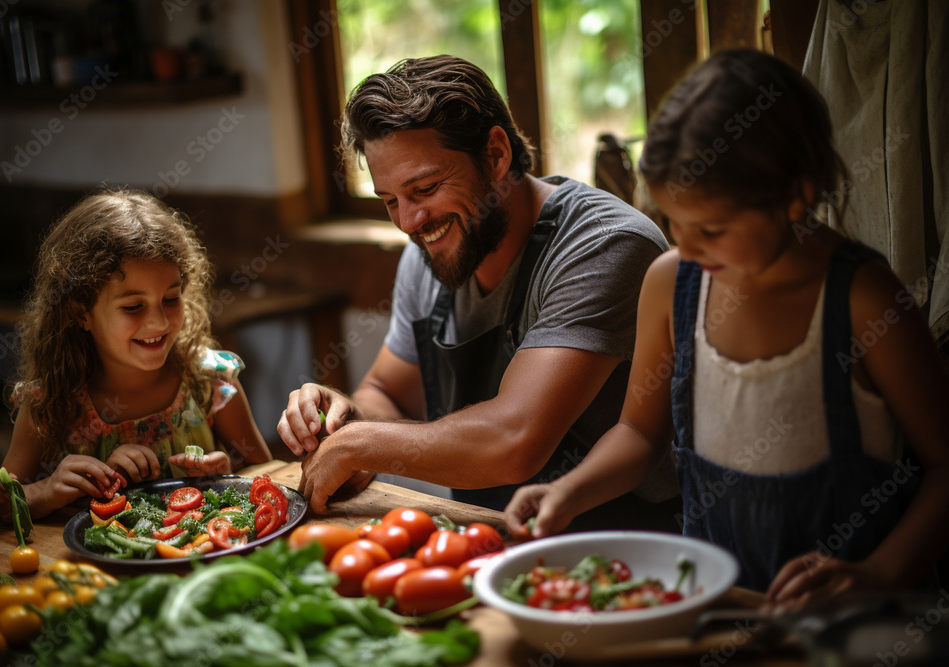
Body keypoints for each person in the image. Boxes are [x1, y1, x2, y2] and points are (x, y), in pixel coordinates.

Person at [503, 49, 949, 606]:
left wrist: (881, 573)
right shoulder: (673, 284)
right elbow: (640, 435)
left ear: (796, 196)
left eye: (711, 228)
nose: (686, 247)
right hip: (718, 613)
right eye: (673, 223)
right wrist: (567, 492)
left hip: (855, 628)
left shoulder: (862, 300)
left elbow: (942, 466)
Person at [278, 54, 680, 531]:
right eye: (389, 201)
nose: (409, 222)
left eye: (424, 188)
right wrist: (342, 419)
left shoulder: (604, 245)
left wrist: (360, 445)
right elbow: (388, 394)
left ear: (495, 154)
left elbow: (514, 441)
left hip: (629, 546)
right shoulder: (430, 251)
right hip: (495, 539)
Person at [0, 190, 271, 521]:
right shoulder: (49, 404)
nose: (158, 322)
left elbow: (270, 478)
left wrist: (227, 475)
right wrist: (47, 490)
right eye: (133, 306)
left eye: (172, 299)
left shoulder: (211, 384)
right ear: (81, 313)